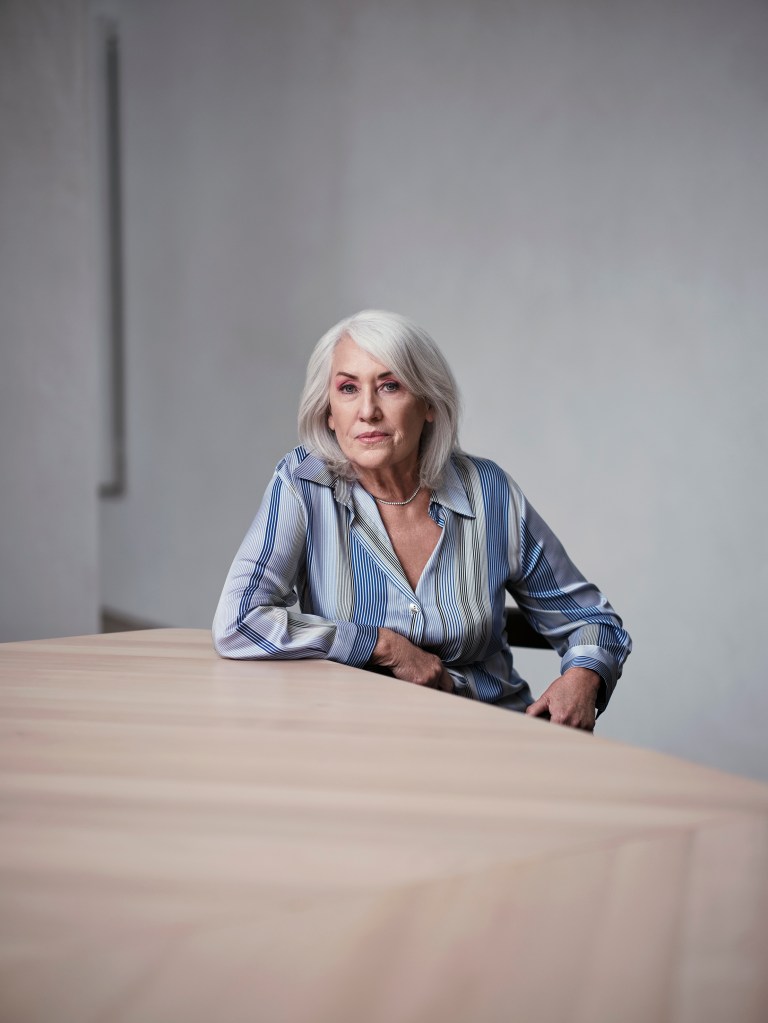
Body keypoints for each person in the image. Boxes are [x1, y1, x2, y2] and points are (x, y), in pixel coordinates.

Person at [213, 310, 631, 731]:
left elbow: (591, 621)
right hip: (358, 745)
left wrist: (583, 678)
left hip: (489, 737)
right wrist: (384, 645)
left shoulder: (489, 493)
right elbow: (238, 621)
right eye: (348, 389)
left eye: (390, 386)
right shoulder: (303, 483)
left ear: (429, 403)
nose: (368, 411)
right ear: (328, 413)